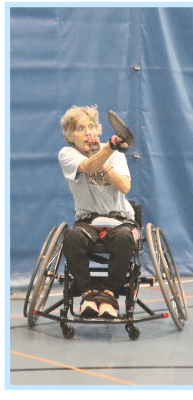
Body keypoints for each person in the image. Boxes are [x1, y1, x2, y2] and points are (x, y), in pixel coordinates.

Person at [57, 105, 136, 319]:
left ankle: (110, 295)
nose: (88, 132)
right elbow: (89, 166)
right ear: (70, 135)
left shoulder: (115, 154)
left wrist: (107, 157)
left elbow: (125, 187)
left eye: (91, 126)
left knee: (124, 239)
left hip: (121, 220)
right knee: (72, 238)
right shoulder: (67, 154)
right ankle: (88, 293)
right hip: (87, 222)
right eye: (80, 128)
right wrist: (108, 149)